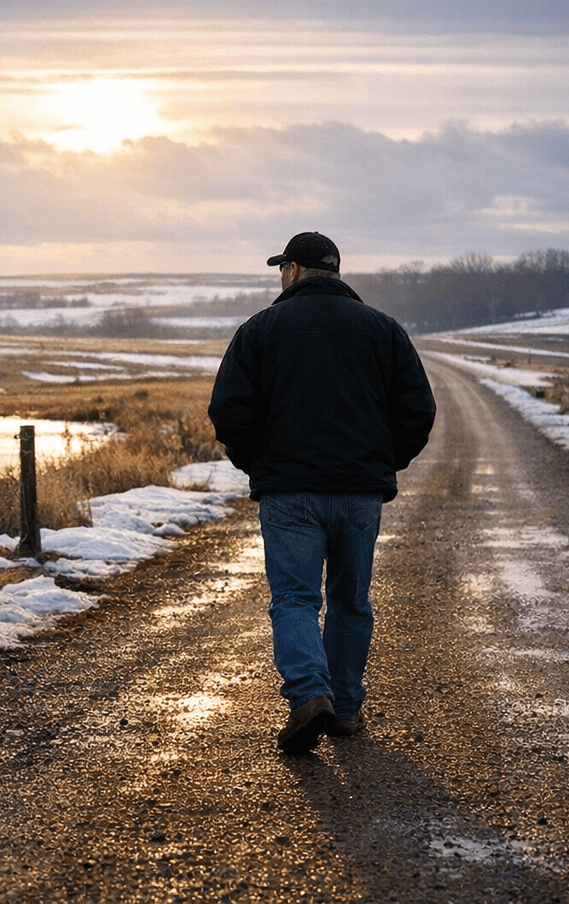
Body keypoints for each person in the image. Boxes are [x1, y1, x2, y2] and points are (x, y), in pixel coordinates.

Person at [208, 232, 436, 753]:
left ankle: (310, 695)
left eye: (282, 268)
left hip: (289, 493)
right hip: (359, 493)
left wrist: (259, 465)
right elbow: (417, 411)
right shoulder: (383, 329)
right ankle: (346, 709)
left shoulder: (260, 329)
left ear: (293, 270)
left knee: (295, 598)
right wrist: (381, 464)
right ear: (334, 271)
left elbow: (229, 410)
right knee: (350, 600)